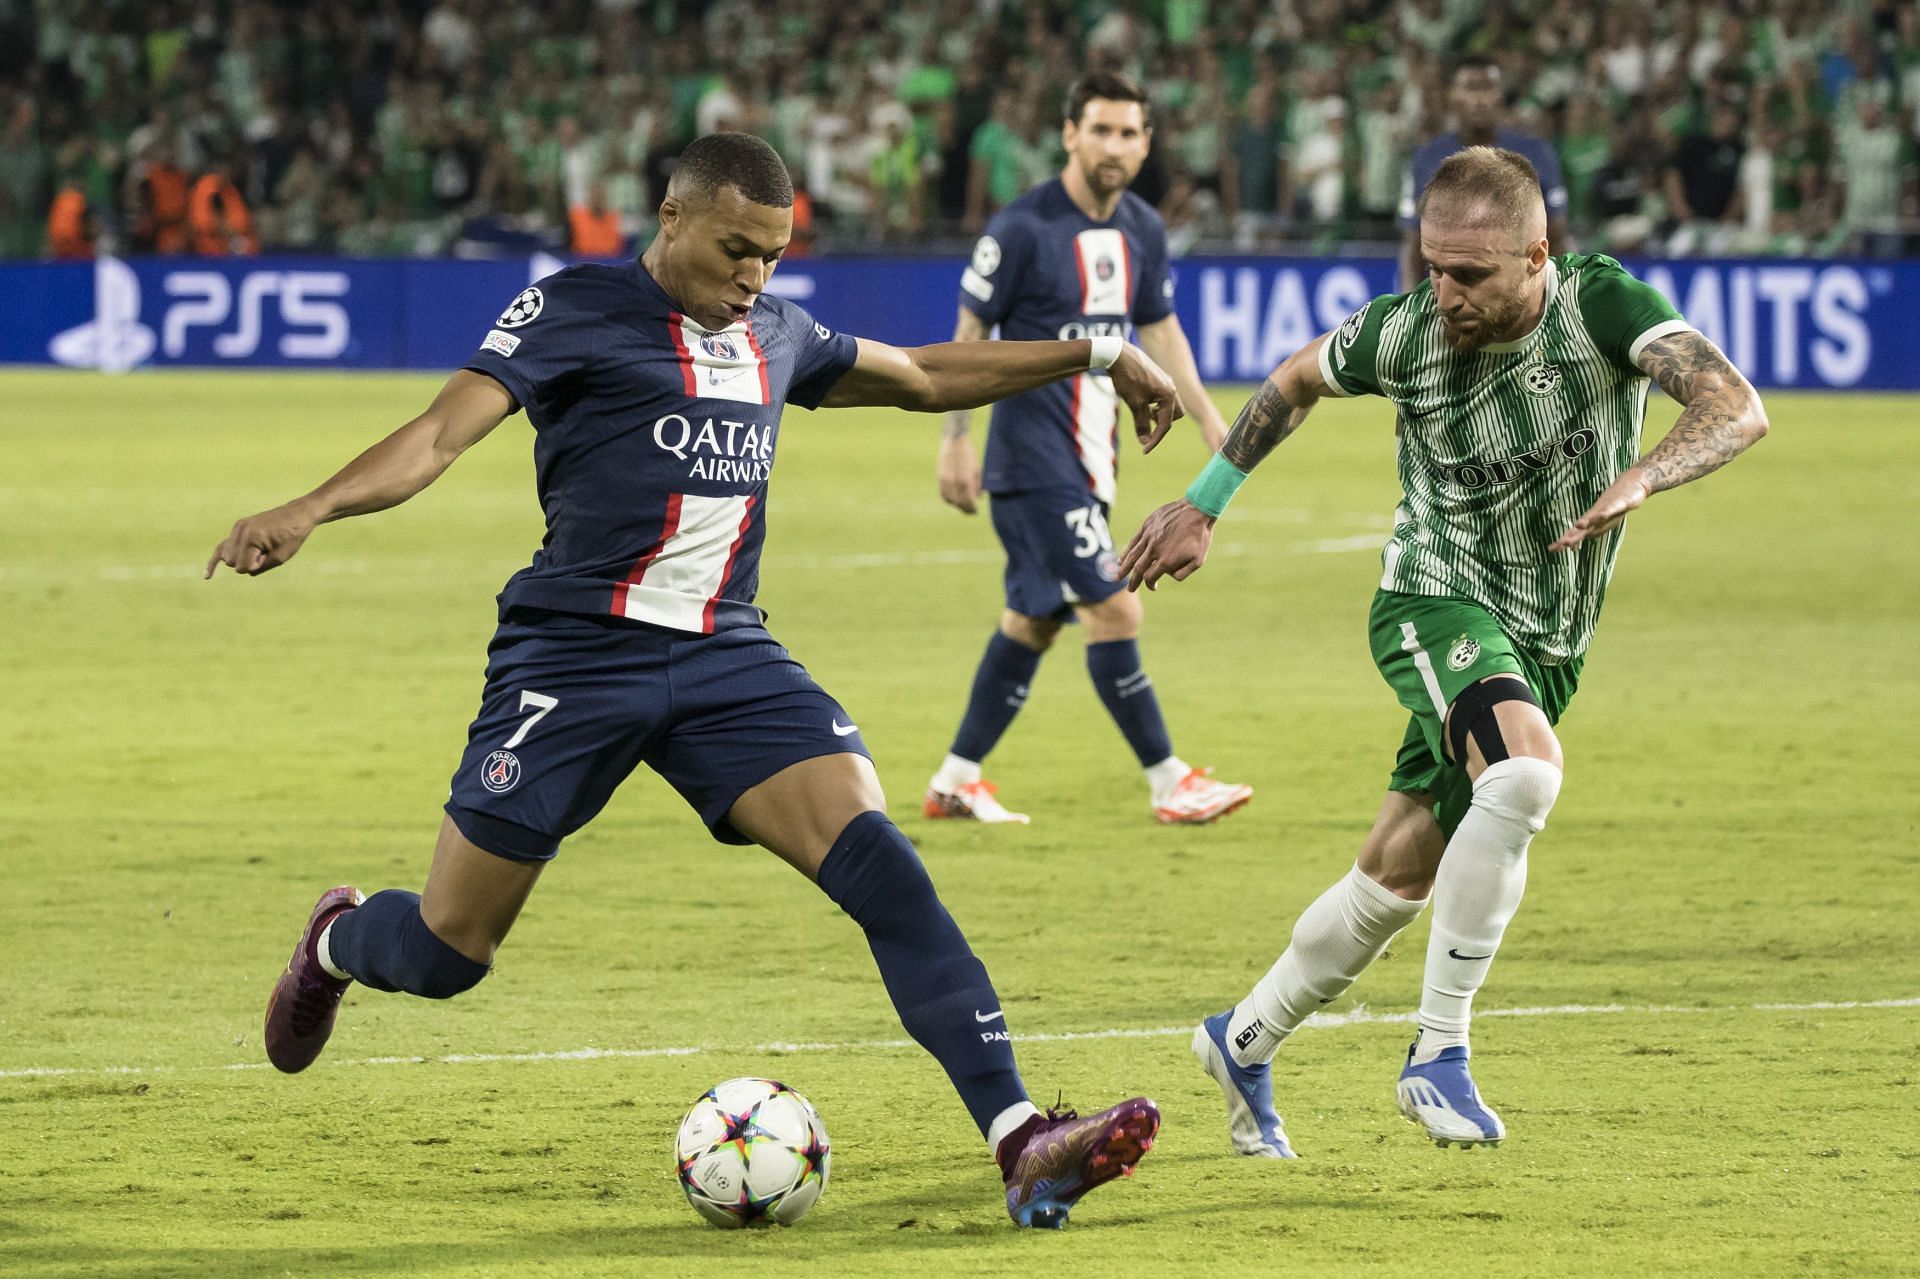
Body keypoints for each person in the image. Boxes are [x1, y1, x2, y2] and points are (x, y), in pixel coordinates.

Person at [207, 133, 1174, 1229]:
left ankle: (1024, 1139)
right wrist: (309, 508)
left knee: (887, 870)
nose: (754, 277)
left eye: (772, 255)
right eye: (734, 251)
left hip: (727, 657)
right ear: (670, 220)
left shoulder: (775, 329)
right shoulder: (573, 307)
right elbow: (437, 434)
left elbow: (918, 375)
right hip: (574, 655)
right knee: (446, 953)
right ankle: (337, 938)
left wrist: (1090, 355)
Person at [1119, 147, 1767, 1155]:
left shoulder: (1599, 309)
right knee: (1524, 773)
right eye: (1431, 267)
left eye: (1471, 274)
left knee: (1396, 873)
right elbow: (1291, 381)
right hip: (1432, 600)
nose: (1445, 294)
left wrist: (1644, 476)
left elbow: (1735, 405)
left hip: (1549, 635)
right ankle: (1438, 1053)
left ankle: (1240, 1039)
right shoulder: (1403, 332)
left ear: (1538, 257)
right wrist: (1203, 506)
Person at [928, 72, 1252, 827]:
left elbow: (1160, 329)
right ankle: (1170, 778)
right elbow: (967, 335)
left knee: (1033, 621)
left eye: (1130, 132)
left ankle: (955, 779)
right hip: (1031, 457)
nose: (1115, 145)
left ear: (1146, 143)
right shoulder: (1021, 228)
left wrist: (1209, 417)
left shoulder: (1141, 227)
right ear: (1069, 134)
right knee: (1116, 609)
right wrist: (955, 438)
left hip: (1090, 457)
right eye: (1100, 130)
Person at [1398, 56, 1570, 290]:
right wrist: (1409, 304)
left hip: (1520, 295)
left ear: (1500, 95)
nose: (1479, 99)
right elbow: (1413, 242)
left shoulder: (1536, 153)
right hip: (1450, 297)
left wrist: (1554, 297)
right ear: (1452, 95)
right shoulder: (1427, 158)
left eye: (1487, 88)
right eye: (1470, 88)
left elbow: (1557, 234)